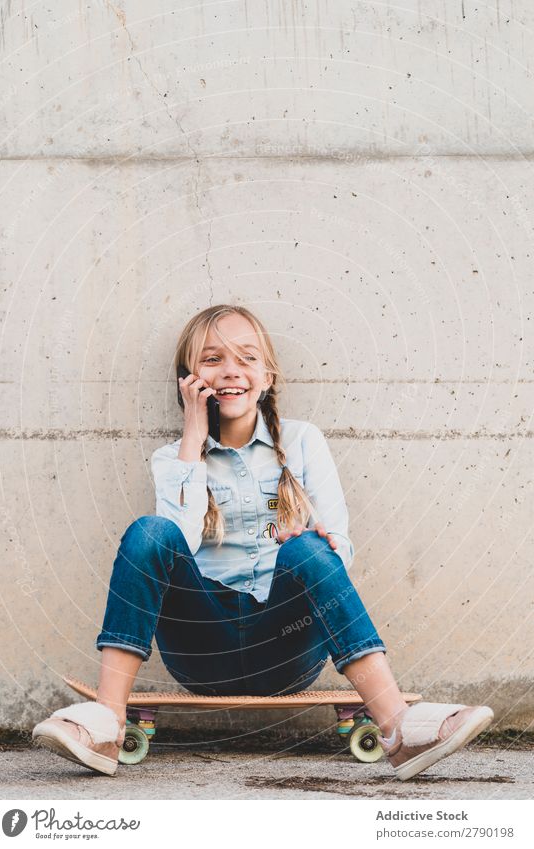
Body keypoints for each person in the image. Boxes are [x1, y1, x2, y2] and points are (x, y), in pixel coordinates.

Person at [33, 304, 494, 780]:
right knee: (150, 532)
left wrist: (312, 541)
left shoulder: (303, 441)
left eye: (247, 358)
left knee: (311, 548)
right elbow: (179, 542)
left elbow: (340, 548)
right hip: (200, 651)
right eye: (212, 359)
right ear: (189, 380)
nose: (231, 371)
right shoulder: (172, 458)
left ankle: (398, 727)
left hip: (286, 649)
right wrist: (194, 436)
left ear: (267, 375)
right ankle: (107, 723)